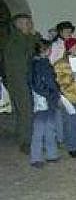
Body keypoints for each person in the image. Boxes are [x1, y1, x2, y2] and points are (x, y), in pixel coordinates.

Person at [3, 13, 41, 153]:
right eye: (27, 22)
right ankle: (25, 142)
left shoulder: (24, 38)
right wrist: (34, 37)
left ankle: (26, 139)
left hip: (25, 79)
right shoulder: (15, 40)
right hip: (19, 80)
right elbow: (28, 55)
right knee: (26, 111)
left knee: (26, 111)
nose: (30, 25)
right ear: (18, 25)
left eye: (30, 22)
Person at [28, 40, 61, 168]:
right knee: (39, 128)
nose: (51, 50)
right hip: (43, 99)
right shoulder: (38, 64)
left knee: (50, 126)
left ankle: (51, 154)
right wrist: (50, 93)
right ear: (44, 50)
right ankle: (35, 157)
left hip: (49, 98)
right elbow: (37, 84)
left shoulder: (44, 63)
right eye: (49, 48)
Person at [48, 21, 75, 146]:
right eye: (66, 31)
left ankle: (69, 135)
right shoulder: (55, 45)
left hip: (72, 81)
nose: (69, 33)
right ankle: (59, 137)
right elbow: (51, 63)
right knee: (59, 109)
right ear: (60, 32)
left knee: (71, 109)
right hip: (59, 80)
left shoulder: (74, 44)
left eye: (70, 31)